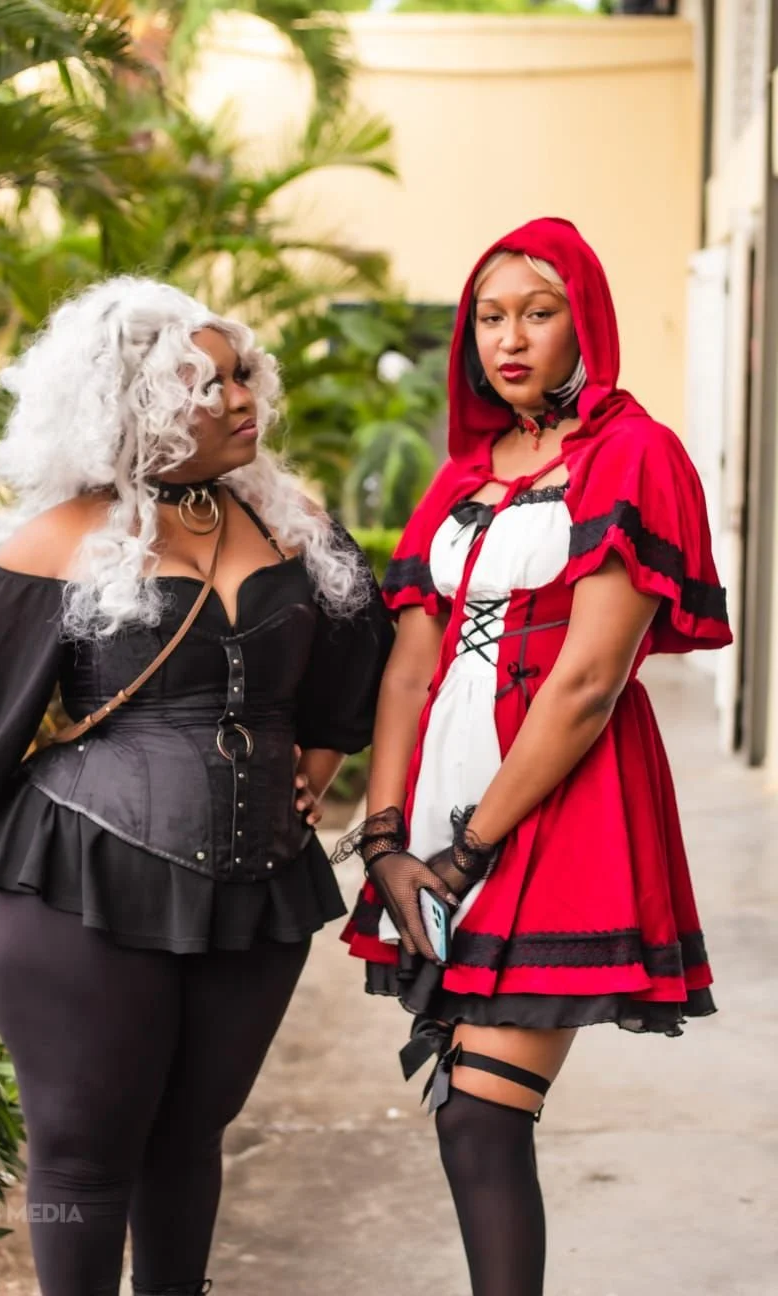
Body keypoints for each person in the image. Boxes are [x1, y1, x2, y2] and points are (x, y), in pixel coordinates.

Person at [0, 276, 392, 1296]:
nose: (236, 398)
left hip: (256, 886)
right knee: (84, 1150)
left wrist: (312, 764)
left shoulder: (289, 524)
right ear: (129, 406)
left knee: (191, 1135)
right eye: (203, 384)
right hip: (86, 876)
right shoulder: (59, 538)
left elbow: (360, 655)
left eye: (239, 374)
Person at [339, 218, 731, 1296]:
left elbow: (591, 681)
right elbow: (410, 666)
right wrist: (383, 836)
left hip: (558, 795)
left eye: (539, 312)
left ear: (586, 322)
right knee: (466, 1117)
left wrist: (464, 854)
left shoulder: (633, 455)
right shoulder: (464, 474)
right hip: (437, 803)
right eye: (490, 317)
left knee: (476, 1119)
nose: (509, 337)